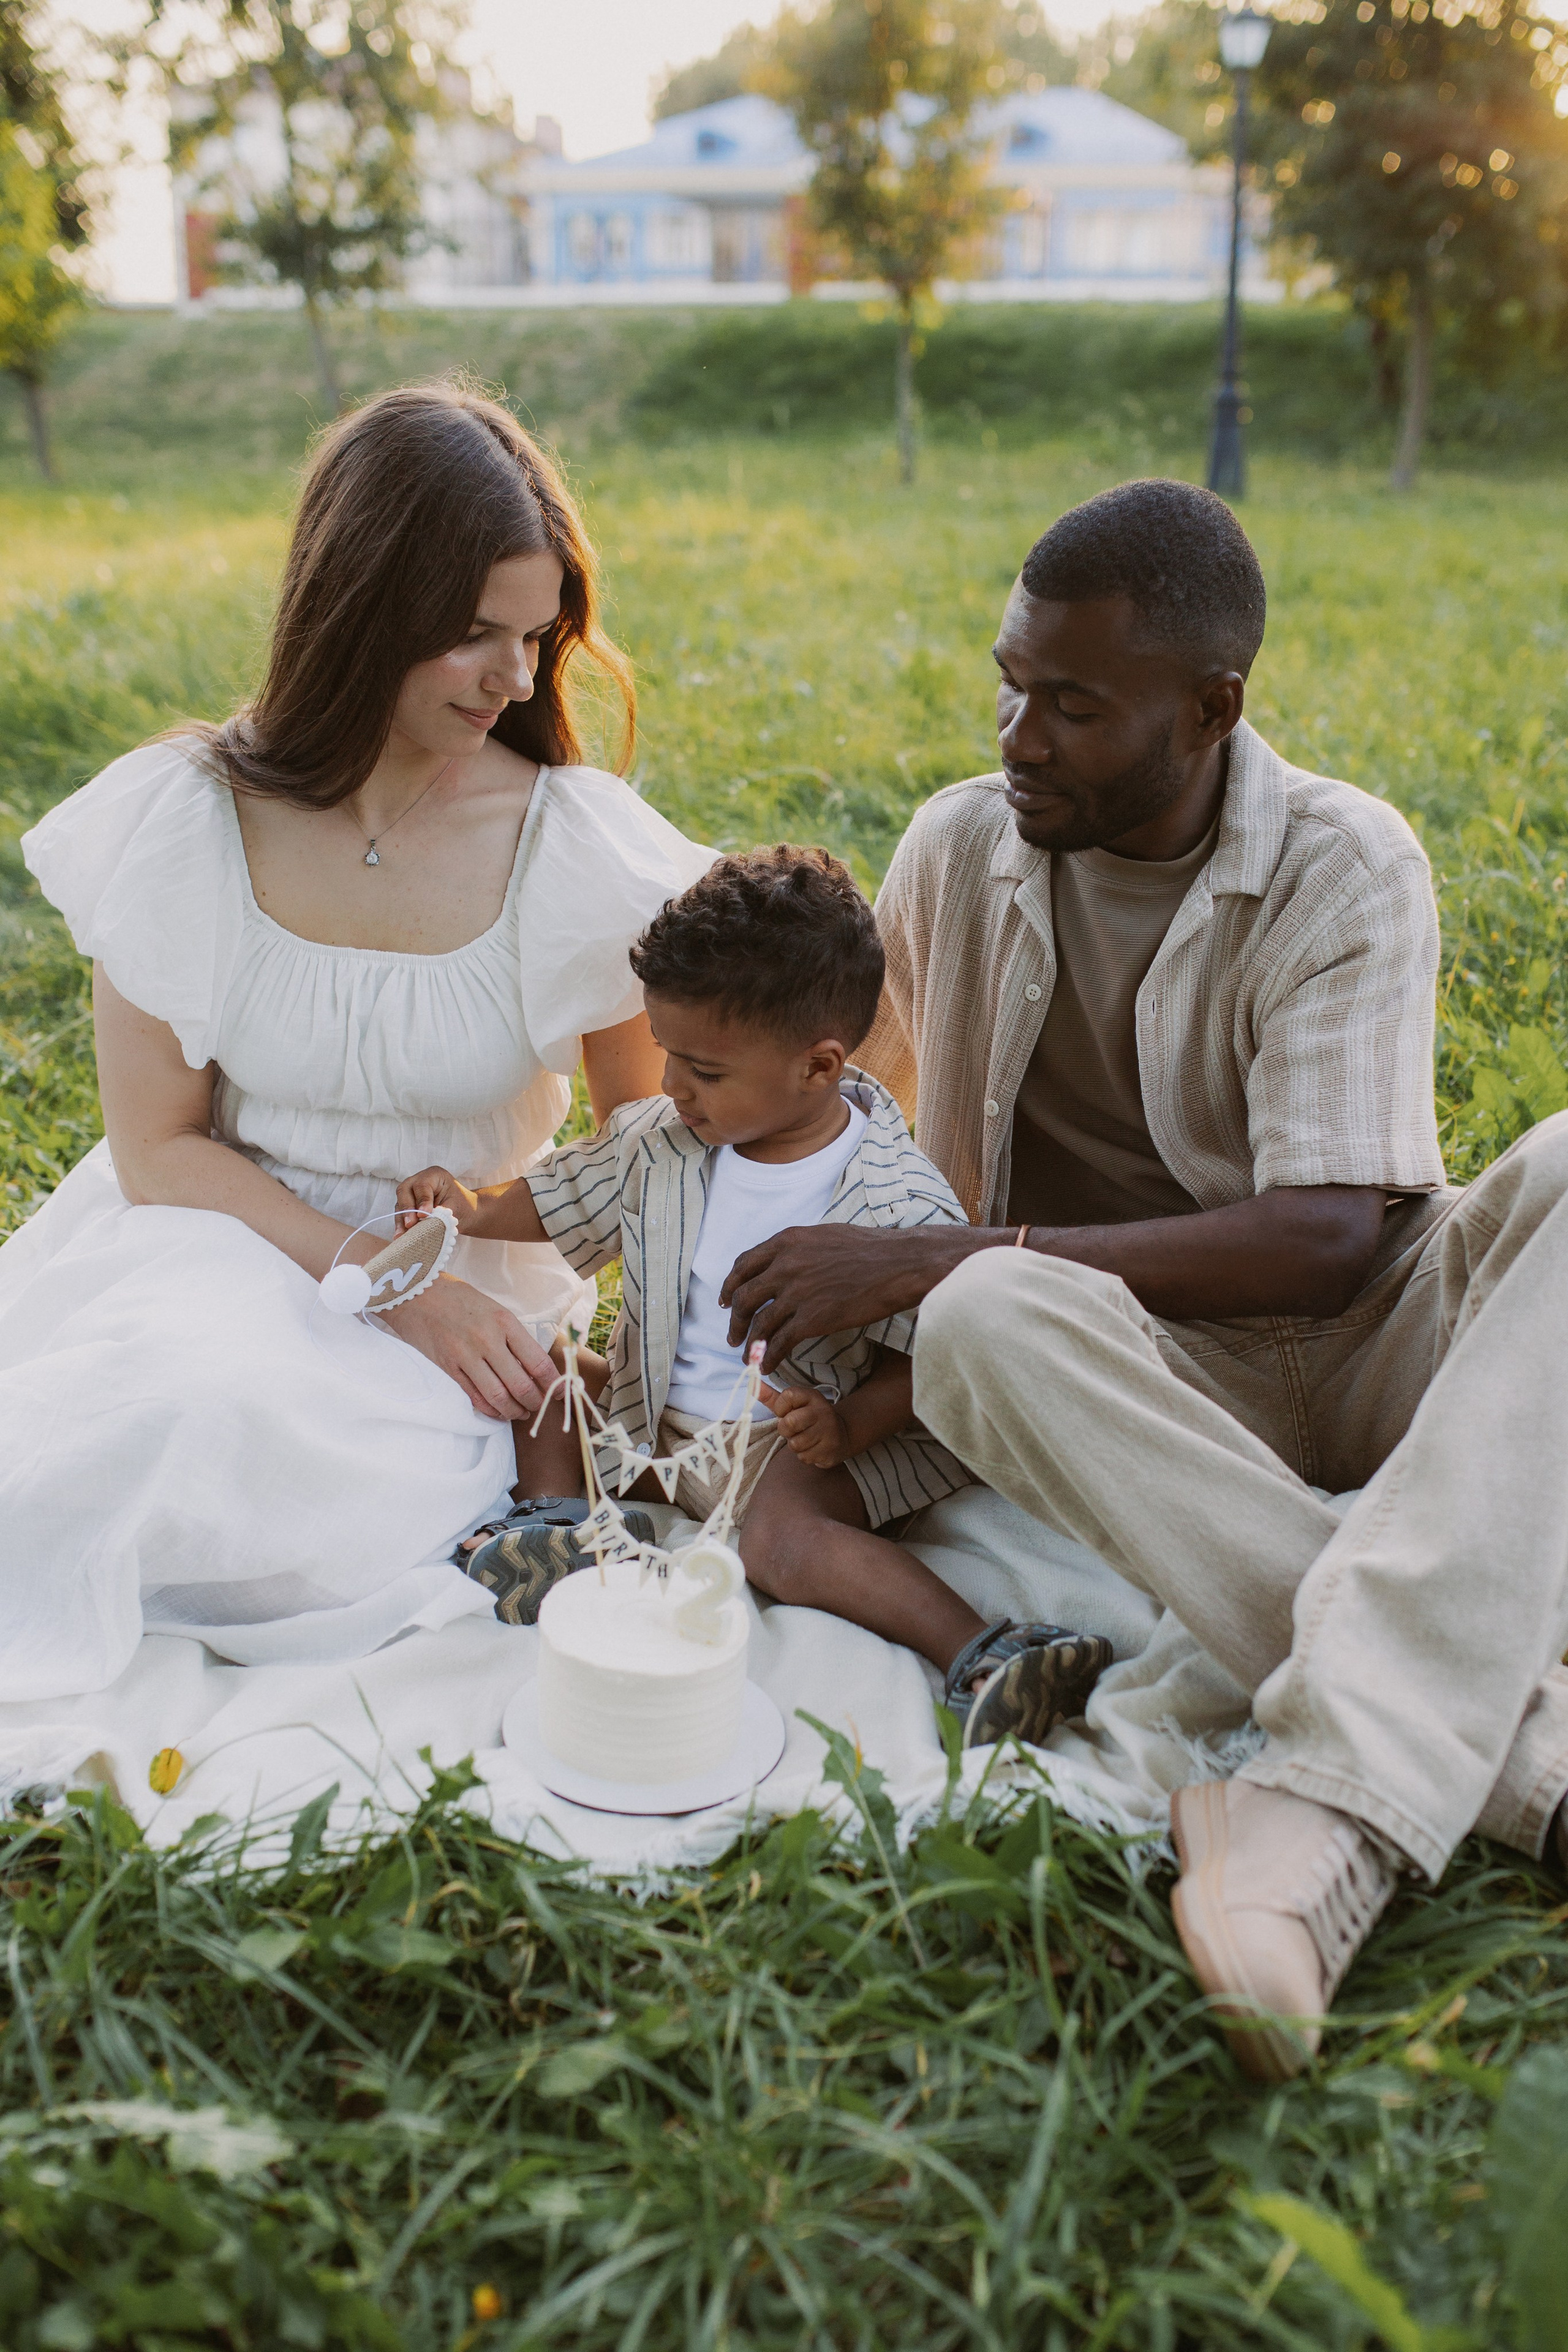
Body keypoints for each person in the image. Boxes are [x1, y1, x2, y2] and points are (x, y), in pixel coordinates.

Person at [716, 477, 1568, 2082]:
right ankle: (1519, 1761)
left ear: (1211, 709)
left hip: (1372, 1334)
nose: (1018, 735)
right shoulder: (960, 850)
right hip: (1128, 1373)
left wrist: (947, 1249)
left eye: (1072, 704)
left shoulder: (1343, 861)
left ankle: (1327, 1790)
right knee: (974, 1316)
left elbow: (1327, 1235)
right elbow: (849, 1116)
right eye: (1011, 685)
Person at [0, 382, 714, 1701]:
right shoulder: (185, 817)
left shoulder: (570, 844)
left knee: (289, 1476)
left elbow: (650, 1144)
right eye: (472, 636)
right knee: (157, 1415)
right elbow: (159, 1148)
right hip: (218, 1244)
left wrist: (626, 1335)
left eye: (537, 634)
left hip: (477, 1292)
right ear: (359, 607)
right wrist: (389, 1283)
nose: (514, 677)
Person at [396, 846, 1114, 1748]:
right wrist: (470, 1211)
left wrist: (850, 1428)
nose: (669, 1087)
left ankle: (983, 1649)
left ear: (818, 1068)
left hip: (785, 1450)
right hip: (647, 1412)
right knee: (539, 1368)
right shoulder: (666, 1142)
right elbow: (562, 1197)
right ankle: (558, 1526)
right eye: (667, 1055)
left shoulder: (893, 1203)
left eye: (704, 1070)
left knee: (784, 1548)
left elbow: (936, 1356)